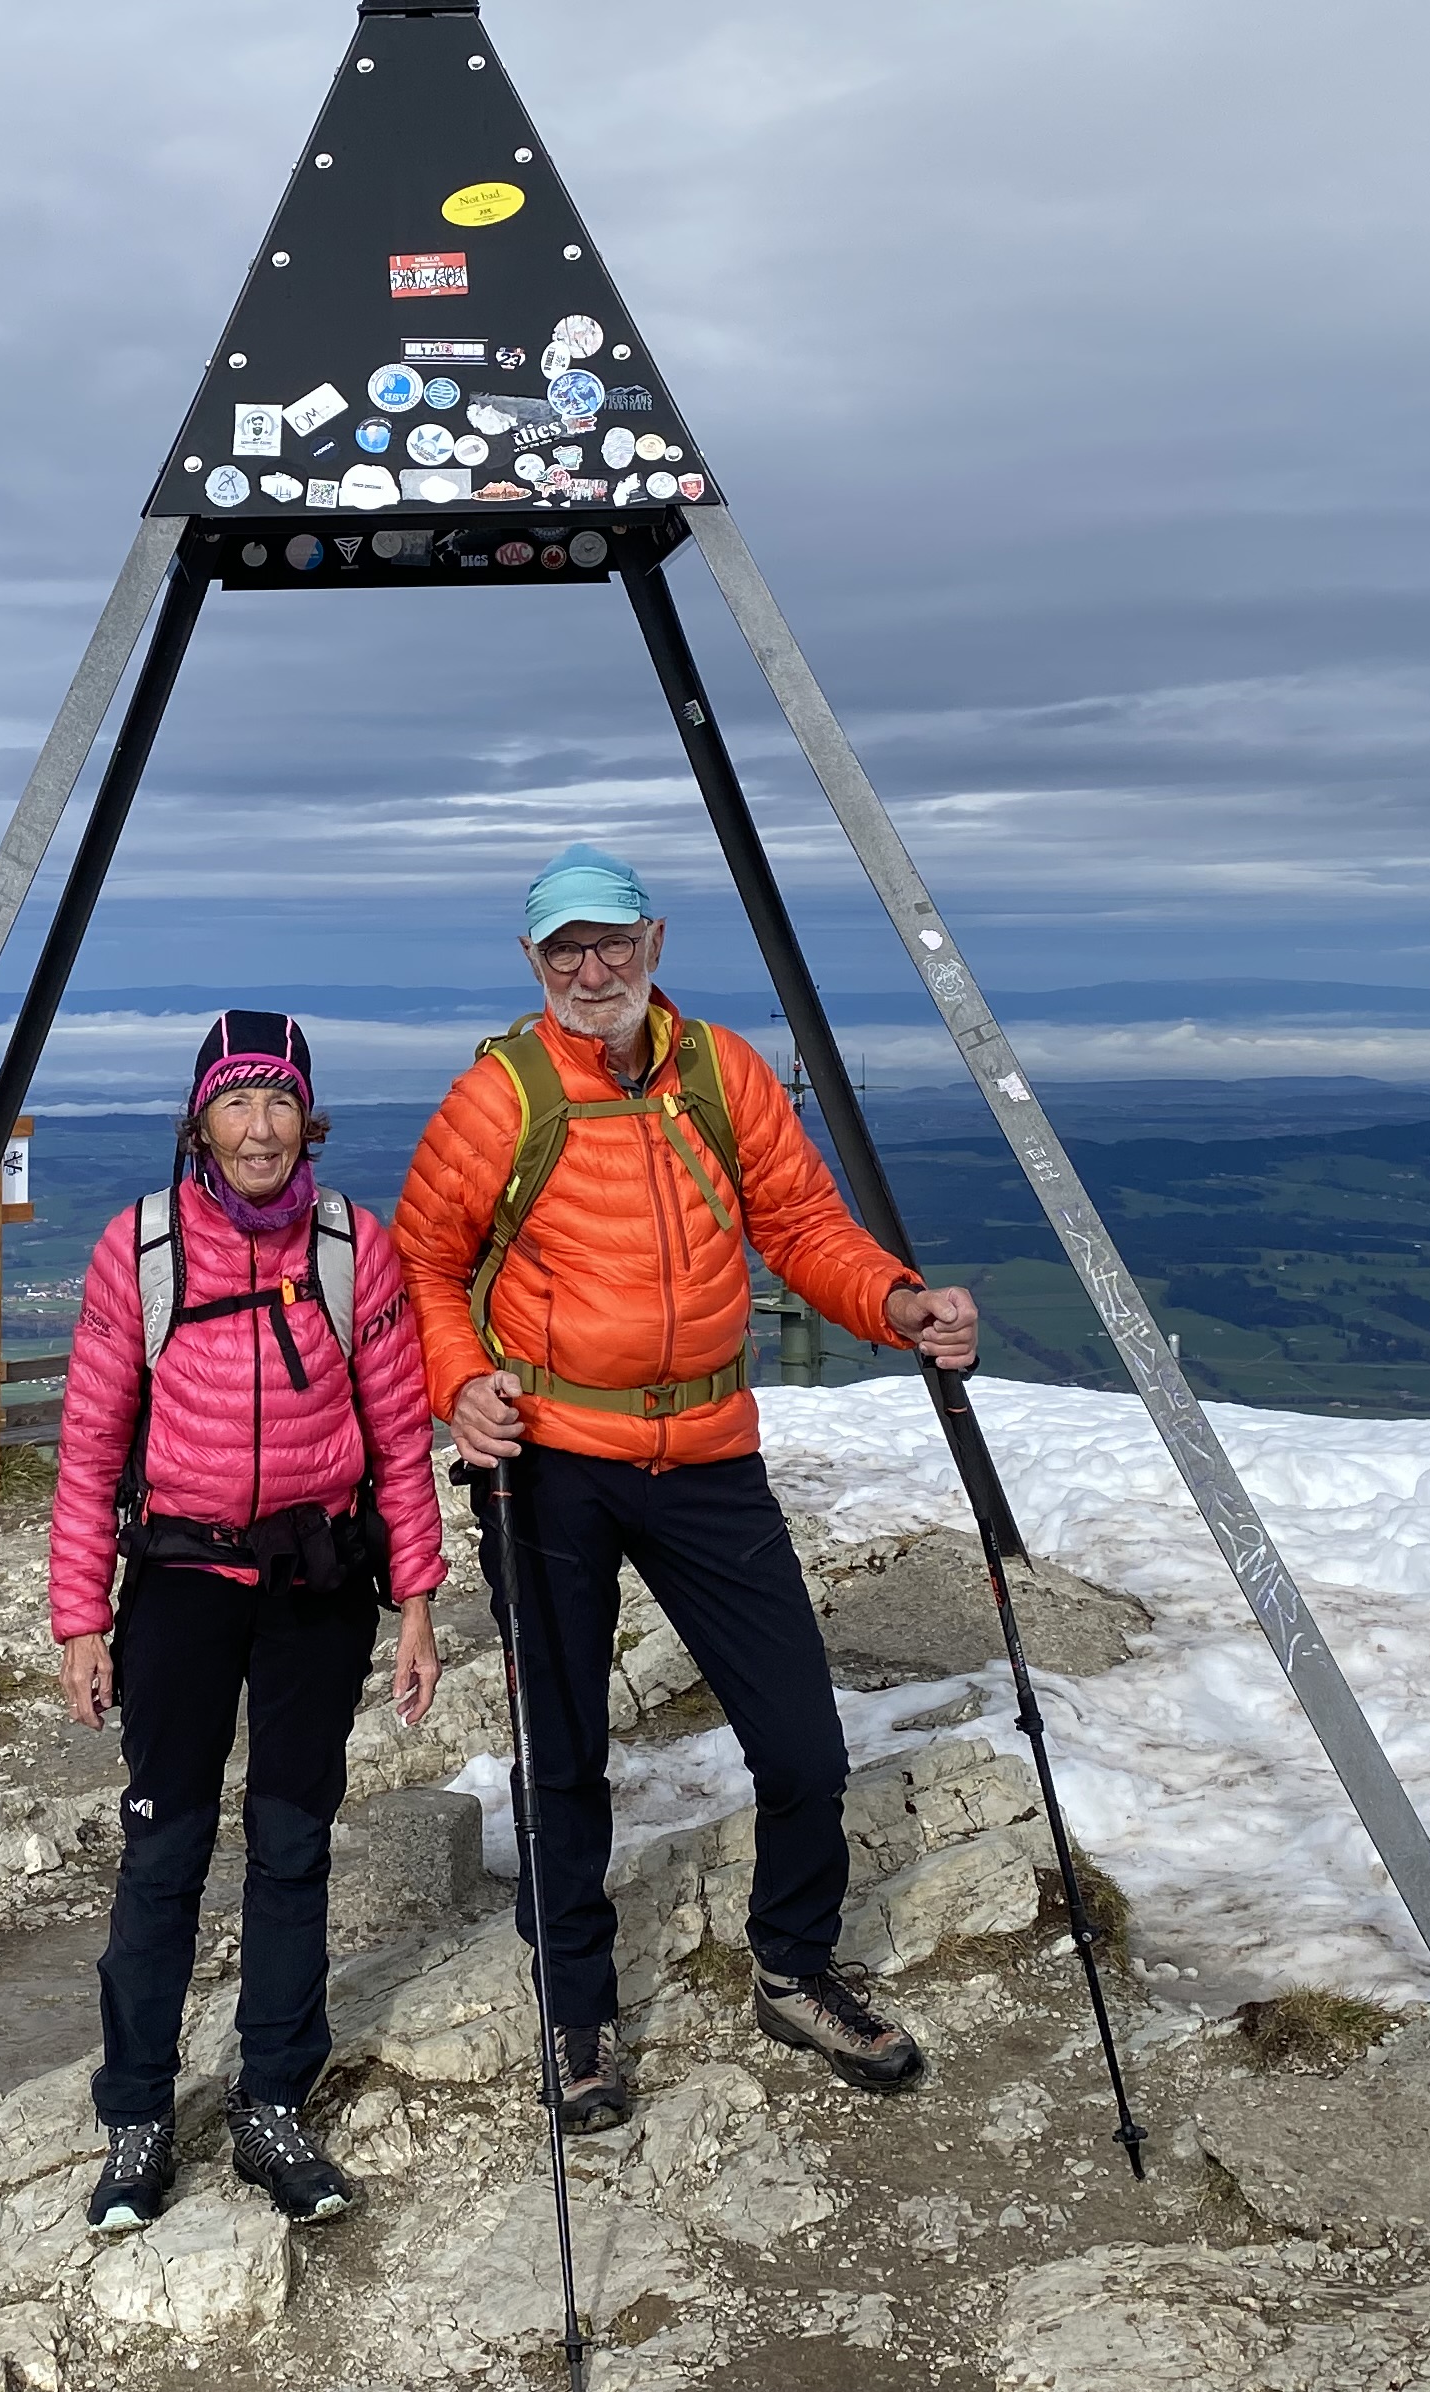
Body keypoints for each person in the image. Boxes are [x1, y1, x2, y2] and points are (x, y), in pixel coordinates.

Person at [396, 844, 984, 2130]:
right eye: (566, 951)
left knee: (800, 1737)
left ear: (656, 942)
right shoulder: (499, 1098)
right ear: (532, 963)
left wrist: (896, 1300)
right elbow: (424, 1266)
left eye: (612, 944)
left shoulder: (723, 1073)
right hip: (549, 1460)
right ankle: (579, 2010)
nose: (592, 970)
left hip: (707, 1451)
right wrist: (461, 1388)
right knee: (562, 1756)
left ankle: (792, 1963)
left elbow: (805, 1227)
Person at [49, 1011, 447, 2237]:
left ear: (307, 1118)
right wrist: (79, 1616)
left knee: (291, 1846)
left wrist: (420, 1602)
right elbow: (90, 1440)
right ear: (201, 1120)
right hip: (176, 1583)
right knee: (163, 1853)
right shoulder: (146, 1248)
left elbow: (398, 1431)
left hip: (317, 1587)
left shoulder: (349, 1246)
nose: (261, 1126)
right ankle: (137, 2117)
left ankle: (274, 2101)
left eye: (280, 1102)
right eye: (237, 1101)